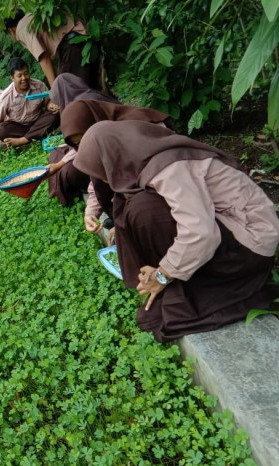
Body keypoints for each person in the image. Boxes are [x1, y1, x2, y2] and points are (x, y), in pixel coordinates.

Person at [73, 120, 279, 342]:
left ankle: (224, 287)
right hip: (232, 227)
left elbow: (201, 232)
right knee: (137, 205)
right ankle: (187, 281)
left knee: (145, 210)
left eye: (102, 173)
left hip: (251, 245)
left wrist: (162, 274)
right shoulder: (147, 156)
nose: (105, 180)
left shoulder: (168, 168)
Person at [46, 98, 172, 207]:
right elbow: (95, 176)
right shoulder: (98, 139)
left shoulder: (136, 129)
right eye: (78, 144)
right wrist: (91, 210)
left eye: (85, 139)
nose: (84, 147)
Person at [45, 74, 119, 205]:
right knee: (56, 153)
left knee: (69, 172)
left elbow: (87, 143)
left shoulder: (83, 105)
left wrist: (60, 164)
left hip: (108, 149)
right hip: (93, 144)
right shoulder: (78, 98)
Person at [4, 9, 98, 88]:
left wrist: (54, 90)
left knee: (68, 91)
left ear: (10, 30)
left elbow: (44, 58)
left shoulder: (21, 29)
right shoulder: (31, 16)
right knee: (89, 89)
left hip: (73, 44)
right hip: (84, 38)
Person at [0, 57, 58, 150]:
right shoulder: (6, 96)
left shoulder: (39, 85)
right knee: (1, 129)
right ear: (12, 78)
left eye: (26, 74)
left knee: (54, 114)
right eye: (19, 76)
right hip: (19, 128)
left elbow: (47, 103)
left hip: (38, 122)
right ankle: (36, 136)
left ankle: (23, 140)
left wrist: (50, 105)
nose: (24, 78)